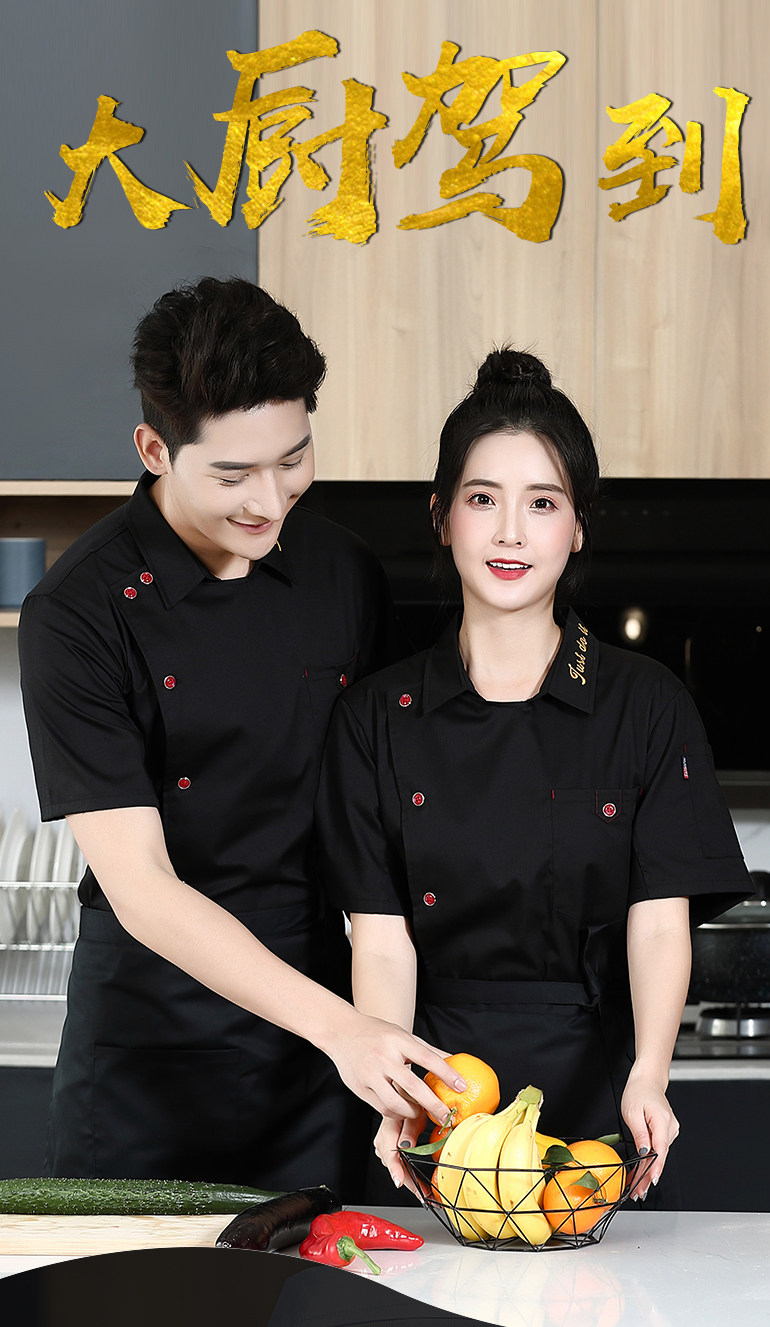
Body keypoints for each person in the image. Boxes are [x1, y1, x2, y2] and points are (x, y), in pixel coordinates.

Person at [17, 276, 463, 1194]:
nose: (270, 500)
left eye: (293, 459)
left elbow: (385, 816)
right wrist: (343, 1026)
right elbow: (141, 886)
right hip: (148, 1051)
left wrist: (364, 1023)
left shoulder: (342, 572)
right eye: (232, 476)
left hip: (316, 1055)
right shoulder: (77, 612)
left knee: (319, 1273)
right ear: (154, 449)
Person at [316, 348, 752, 1202]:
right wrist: (395, 1092)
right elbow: (381, 937)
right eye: (483, 499)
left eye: (543, 503)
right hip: (439, 1096)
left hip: (601, 1096)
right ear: (442, 516)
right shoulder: (374, 717)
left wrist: (651, 1075)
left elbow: (658, 922)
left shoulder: (646, 704)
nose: (510, 532)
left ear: (578, 526)